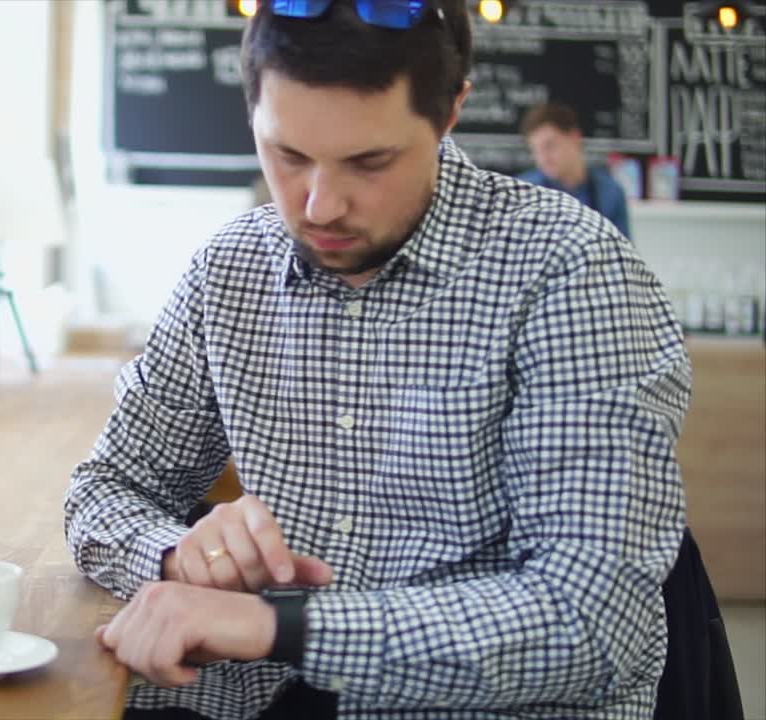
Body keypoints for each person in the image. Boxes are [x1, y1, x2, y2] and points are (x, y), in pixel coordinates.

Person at [64, 0, 688, 718]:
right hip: (254, 697)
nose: (320, 206)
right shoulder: (229, 270)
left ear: (451, 111)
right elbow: (105, 488)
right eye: (288, 155)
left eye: (370, 161)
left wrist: (280, 627)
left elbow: (592, 621)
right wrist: (179, 558)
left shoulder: (571, 271)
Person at [518, 102, 632, 238]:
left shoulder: (610, 192)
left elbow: (624, 254)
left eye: (549, 146)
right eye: (535, 150)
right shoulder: (524, 192)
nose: (543, 158)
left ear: (574, 137)